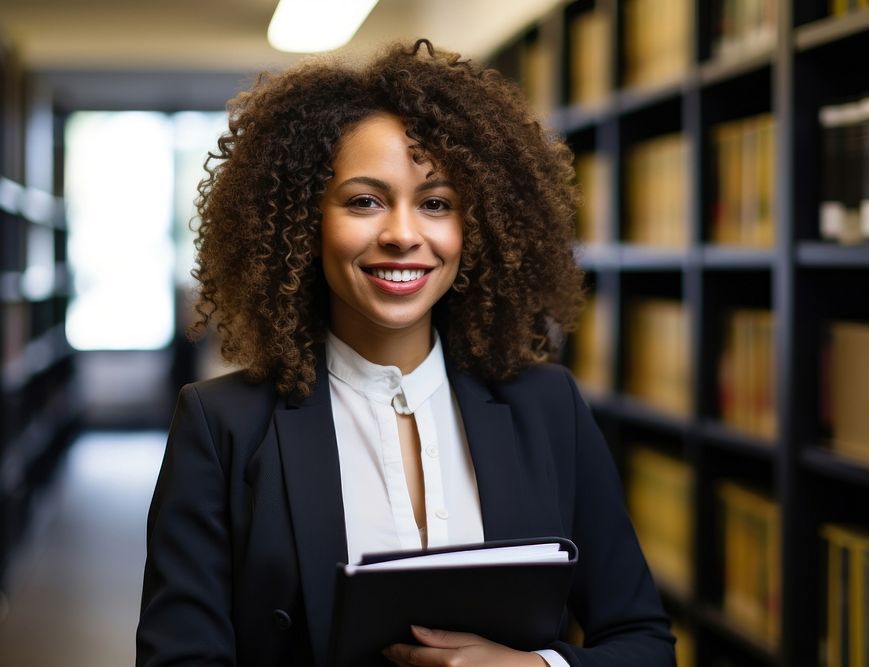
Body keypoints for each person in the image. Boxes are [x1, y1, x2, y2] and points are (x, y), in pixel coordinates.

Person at [137, 40, 677, 667]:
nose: (402, 234)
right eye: (364, 201)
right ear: (303, 222)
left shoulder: (548, 406)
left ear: (475, 227)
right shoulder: (221, 425)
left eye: (436, 203)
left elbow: (643, 641)